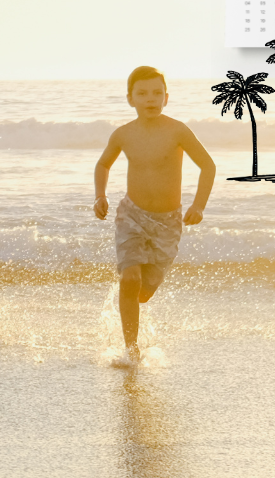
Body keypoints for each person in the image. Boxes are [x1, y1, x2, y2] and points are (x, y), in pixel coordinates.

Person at [93, 66, 215, 364]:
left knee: (144, 292)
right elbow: (103, 165)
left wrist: (198, 205)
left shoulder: (177, 131)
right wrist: (100, 195)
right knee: (130, 279)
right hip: (131, 215)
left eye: (157, 93)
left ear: (167, 97)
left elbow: (208, 166)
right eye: (143, 93)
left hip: (168, 222)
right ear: (130, 99)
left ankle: (126, 307)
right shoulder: (123, 134)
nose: (151, 99)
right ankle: (131, 350)